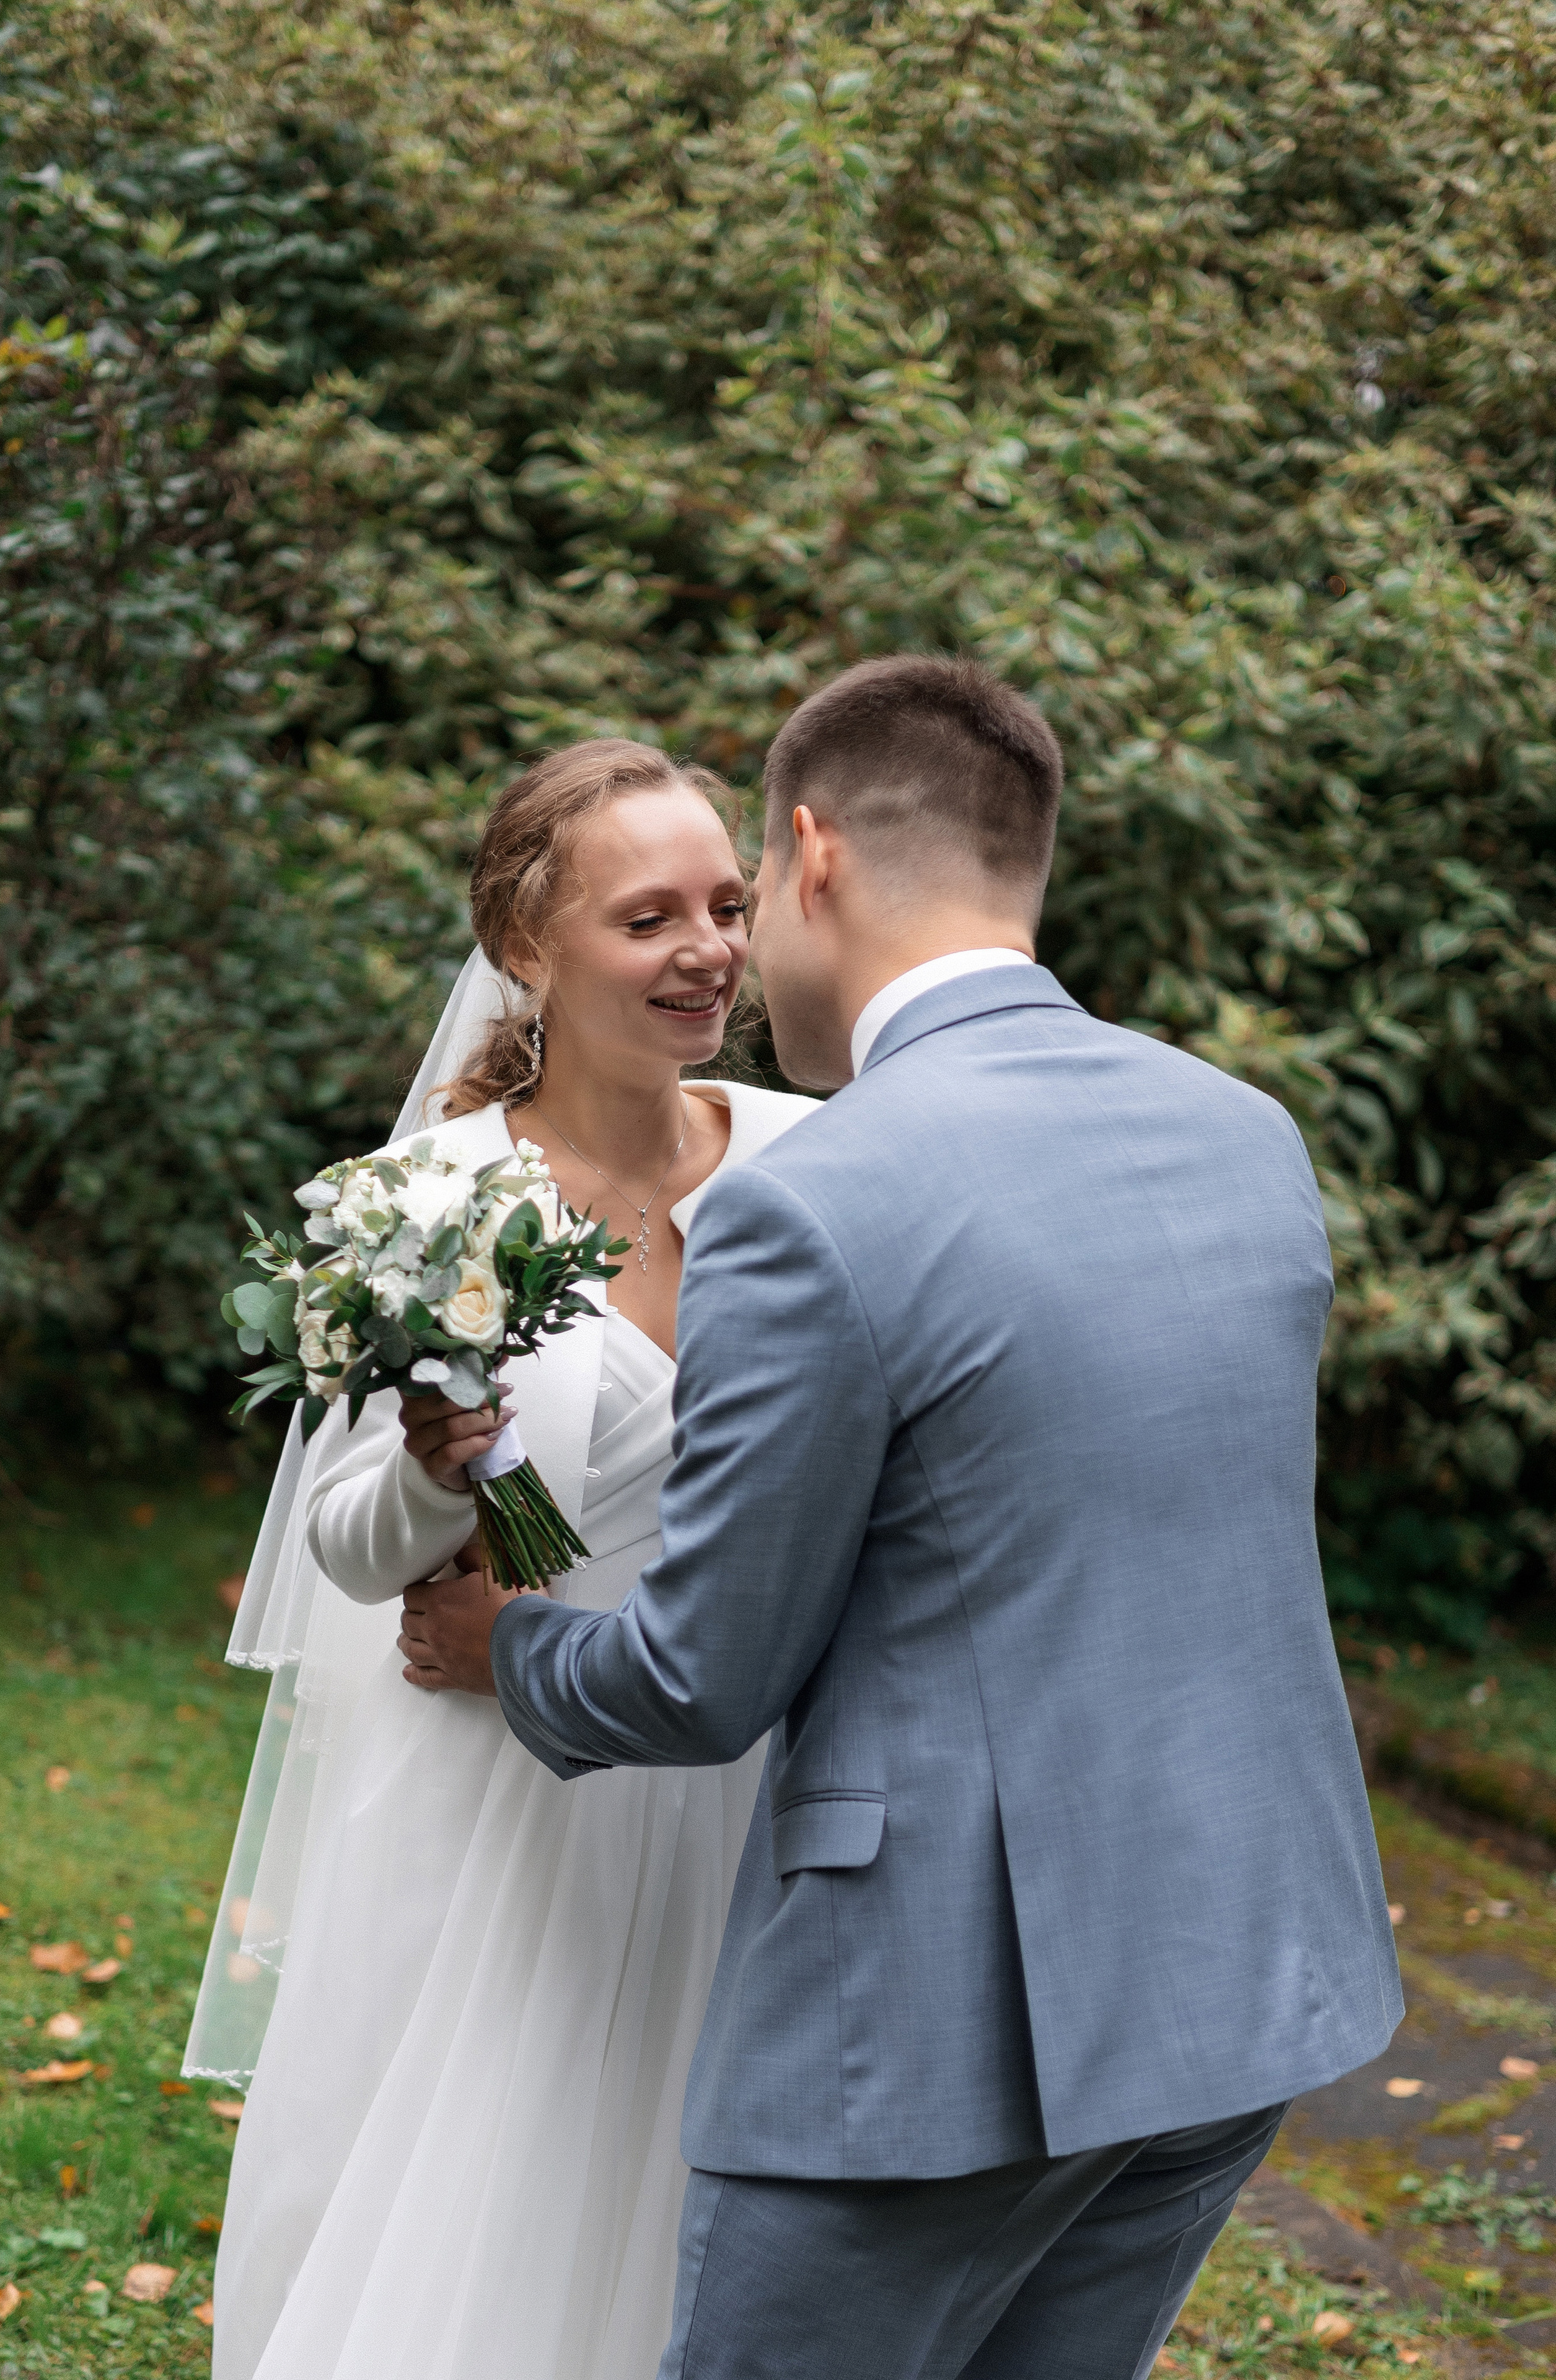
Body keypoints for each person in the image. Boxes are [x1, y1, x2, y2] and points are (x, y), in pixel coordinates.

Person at [401, 656, 1404, 2380]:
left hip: (937, 2034)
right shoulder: (1249, 1138)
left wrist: (512, 1644)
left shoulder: (814, 1204)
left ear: (812, 855)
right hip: (1243, 1983)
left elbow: (704, 1679)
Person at [190, 739, 818, 2380]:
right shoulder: (428, 1204)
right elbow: (348, 1543)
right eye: (650, 918)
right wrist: (431, 1475)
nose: (710, 952)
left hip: (732, 1764)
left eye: (728, 906)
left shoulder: (816, 1156)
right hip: (491, 1778)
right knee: (473, 2211)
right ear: (532, 948)